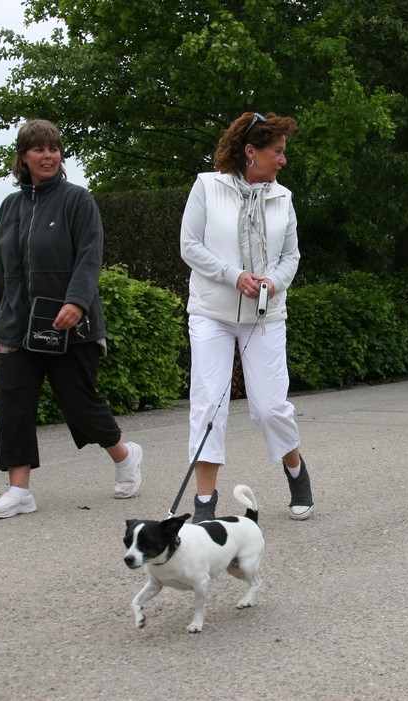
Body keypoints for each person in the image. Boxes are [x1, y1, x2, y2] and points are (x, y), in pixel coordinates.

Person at [0, 119, 142, 519]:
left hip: (68, 324)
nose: (48, 155)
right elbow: (0, 269)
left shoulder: (77, 200)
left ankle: (124, 455)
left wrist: (77, 302)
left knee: (78, 403)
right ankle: (19, 491)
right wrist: (0, 315)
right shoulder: (9, 206)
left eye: (53, 148)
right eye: (39, 149)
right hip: (18, 327)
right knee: (14, 406)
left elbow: (90, 256)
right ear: (23, 157)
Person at [179, 111, 312, 523]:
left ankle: (296, 470)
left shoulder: (283, 198)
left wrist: (273, 282)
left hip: (265, 315)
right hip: (211, 312)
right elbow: (189, 245)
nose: (283, 160)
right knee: (208, 403)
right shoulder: (207, 186)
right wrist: (233, 275)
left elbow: (291, 255)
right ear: (251, 151)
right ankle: (204, 502)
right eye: (278, 151)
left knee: (269, 408)